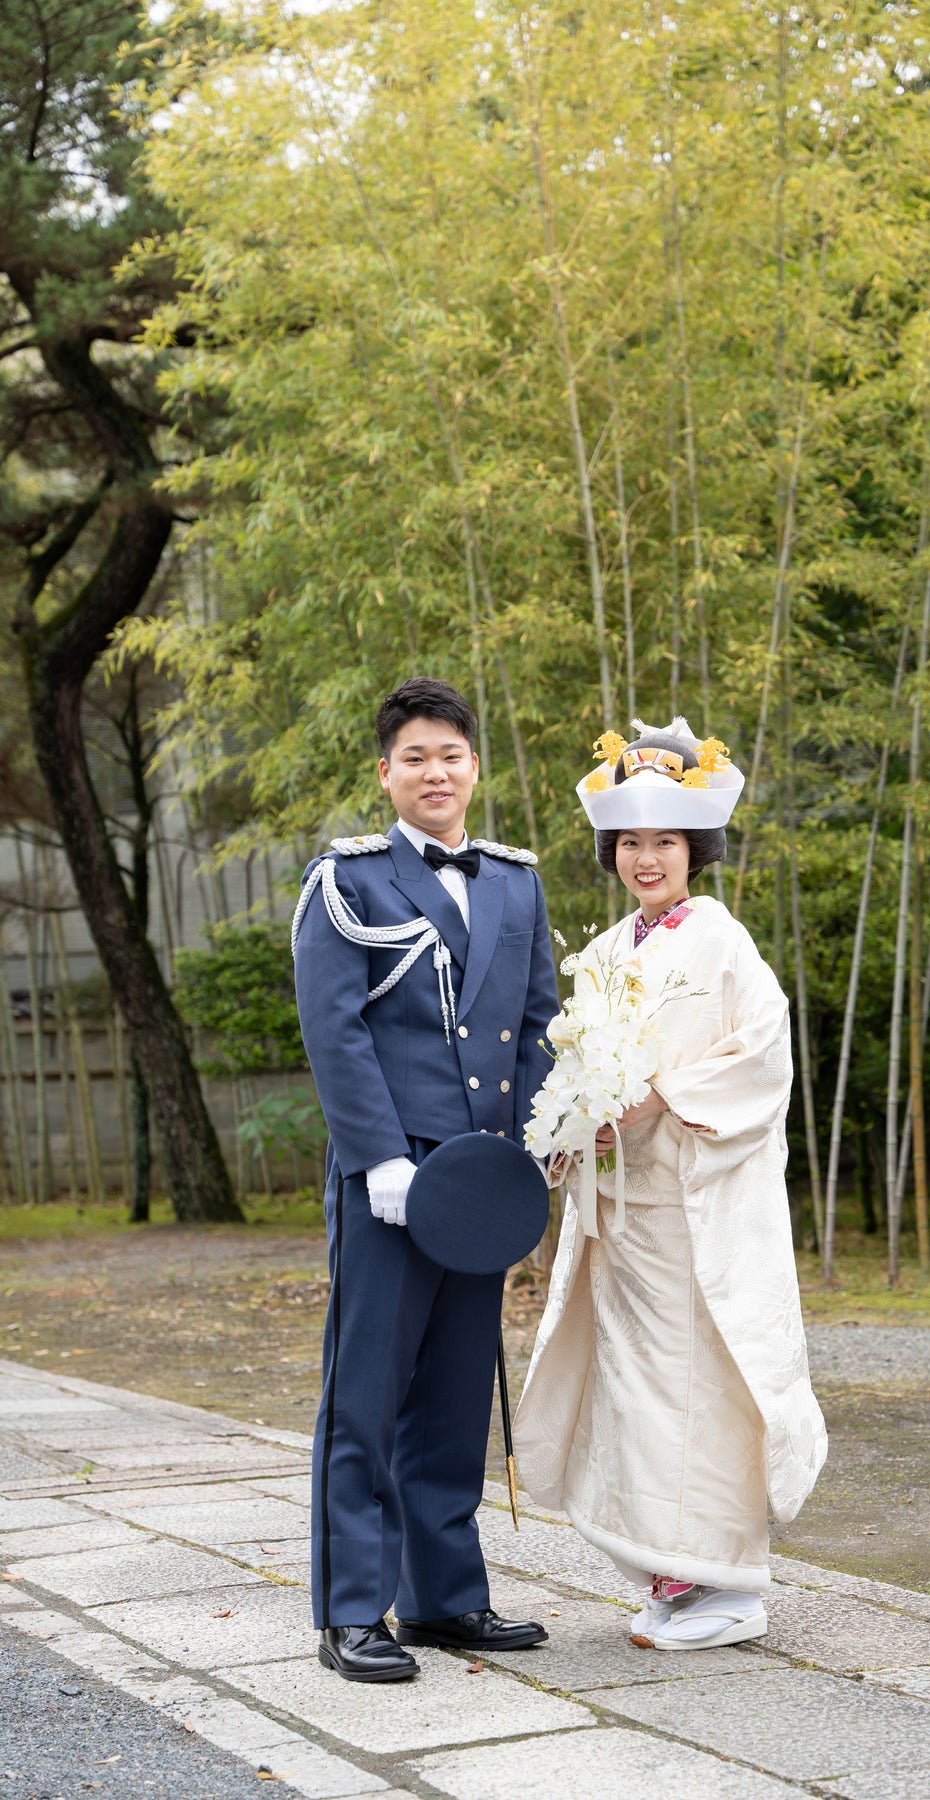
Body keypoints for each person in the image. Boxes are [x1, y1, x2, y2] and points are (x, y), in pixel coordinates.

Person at [514, 717, 827, 1652]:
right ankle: (667, 1574)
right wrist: (576, 1123)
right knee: (633, 1391)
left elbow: (763, 1060)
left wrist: (659, 1097)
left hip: (697, 1207)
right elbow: (575, 1065)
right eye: (633, 843)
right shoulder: (605, 953)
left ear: (696, 849)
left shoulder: (726, 945)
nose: (648, 859)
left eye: (667, 842)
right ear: (614, 852)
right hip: (623, 1215)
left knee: (706, 1381)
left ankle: (726, 1580)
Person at [292, 676, 559, 1681]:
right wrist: (381, 1158)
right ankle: (353, 1609)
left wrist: (530, 1147)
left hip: (482, 1179)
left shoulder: (514, 882)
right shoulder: (347, 880)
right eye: (415, 758)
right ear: (387, 774)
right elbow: (337, 1030)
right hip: (392, 1177)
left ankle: (445, 1600)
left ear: (474, 766)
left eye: (450, 754)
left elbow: (537, 1024)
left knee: (454, 1396)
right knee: (365, 1394)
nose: (435, 772)